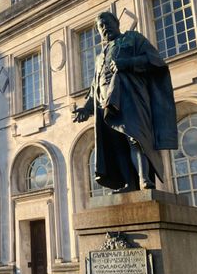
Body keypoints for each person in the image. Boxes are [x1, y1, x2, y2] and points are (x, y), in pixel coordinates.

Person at [73, 11, 177, 192]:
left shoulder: (133, 39)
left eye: (107, 23)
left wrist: (128, 63)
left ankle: (145, 179)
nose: (105, 28)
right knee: (117, 144)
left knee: (135, 137)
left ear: (117, 23)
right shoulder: (100, 57)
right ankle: (129, 183)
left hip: (130, 96)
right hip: (106, 104)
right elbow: (94, 86)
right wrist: (86, 108)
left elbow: (154, 60)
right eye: (101, 26)